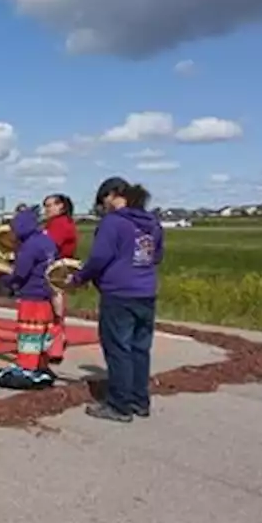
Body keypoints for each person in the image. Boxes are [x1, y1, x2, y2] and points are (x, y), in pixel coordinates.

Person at [67, 177, 163, 423]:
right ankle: (139, 401)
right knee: (140, 349)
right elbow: (157, 255)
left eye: (103, 201)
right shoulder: (152, 223)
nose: (103, 207)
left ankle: (119, 405)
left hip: (119, 293)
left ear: (112, 195)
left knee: (118, 348)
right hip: (146, 291)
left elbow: (99, 258)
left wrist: (79, 278)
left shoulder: (114, 223)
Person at [0, 206, 59, 390]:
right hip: (46, 296)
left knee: (29, 335)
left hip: (32, 297)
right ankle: (41, 366)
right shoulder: (47, 242)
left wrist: (1, 277)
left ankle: (27, 367)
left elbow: (20, 274)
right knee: (42, 334)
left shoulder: (29, 246)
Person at [42, 193, 79, 361]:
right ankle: (57, 337)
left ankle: (56, 339)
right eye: (46, 206)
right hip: (57, 267)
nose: (47, 209)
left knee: (55, 303)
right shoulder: (57, 223)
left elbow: (50, 245)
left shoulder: (59, 224)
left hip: (56, 269)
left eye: (50, 206)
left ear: (61, 207)